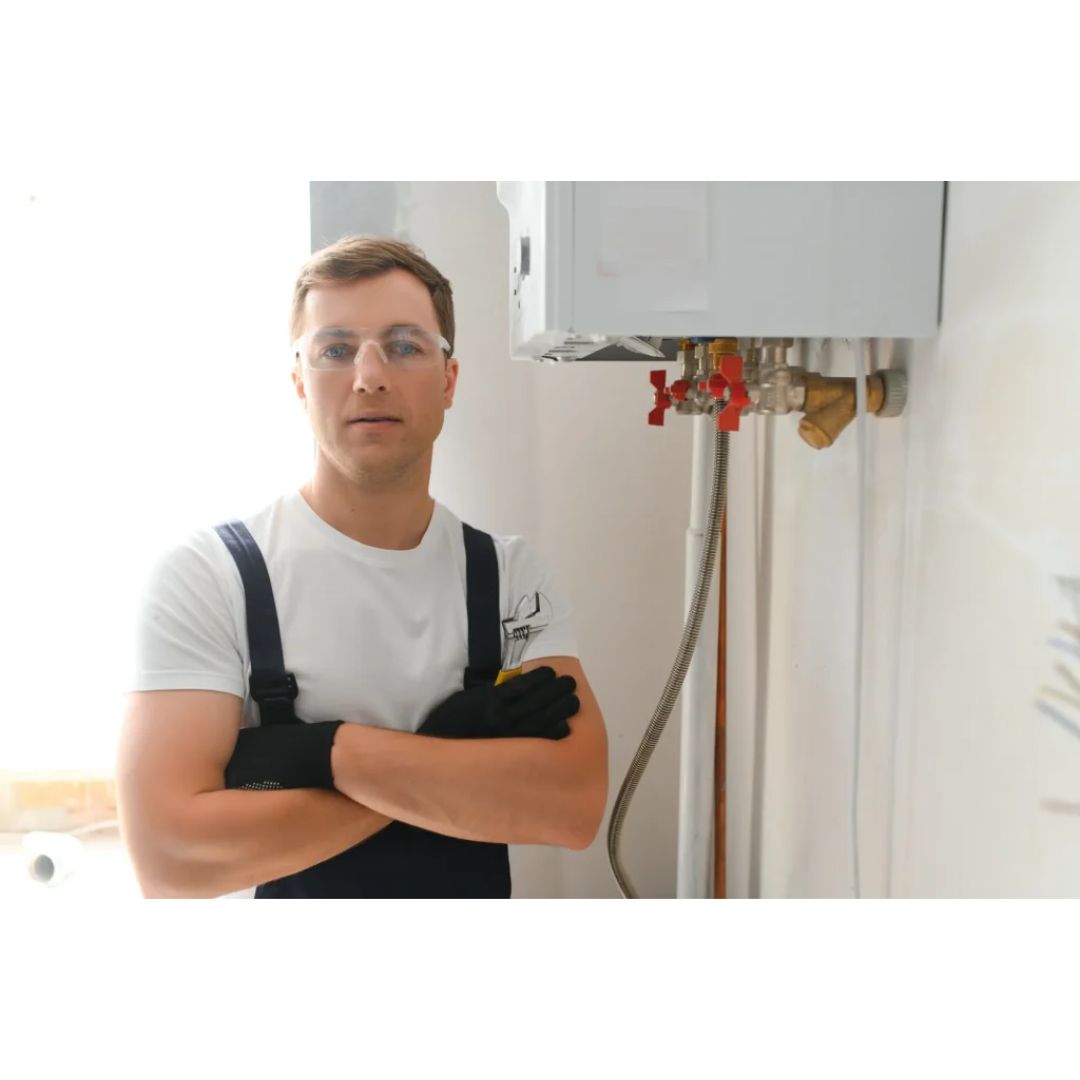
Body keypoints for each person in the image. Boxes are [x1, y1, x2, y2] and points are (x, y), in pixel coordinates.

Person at [116, 235, 609, 898]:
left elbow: (571, 807)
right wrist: (446, 748)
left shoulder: (509, 577)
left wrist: (322, 753)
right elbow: (168, 857)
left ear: (448, 379)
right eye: (335, 350)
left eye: (404, 346)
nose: (369, 376)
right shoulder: (209, 577)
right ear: (299, 382)